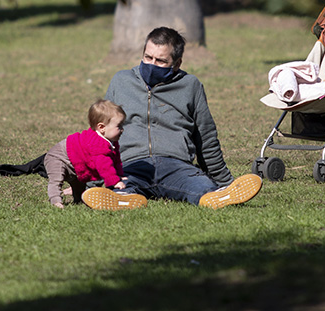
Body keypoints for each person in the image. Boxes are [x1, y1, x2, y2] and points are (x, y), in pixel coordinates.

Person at [82, 27, 262, 210]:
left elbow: (206, 138)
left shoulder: (190, 85)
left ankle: (218, 195)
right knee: (122, 186)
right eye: (147, 57)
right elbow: (100, 134)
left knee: (202, 187)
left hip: (176, 166)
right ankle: (123, 198)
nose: (151, 64)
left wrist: (225, 182)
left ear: (177, 64)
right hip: (132, 163)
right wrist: (89, 183)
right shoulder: (121, 80)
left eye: (160, 61)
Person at [44, 99, 146, 210]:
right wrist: (114, 181)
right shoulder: (97, 144)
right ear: (102, 127)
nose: (122, 130)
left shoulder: (111, 141)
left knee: (79, 184)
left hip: (73, 161)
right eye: (119, 126)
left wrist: (119, 174)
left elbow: (115, 159)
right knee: (56, 179)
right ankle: (56, 201)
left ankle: (79, 200)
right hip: (58, 157)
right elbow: (104, 165)